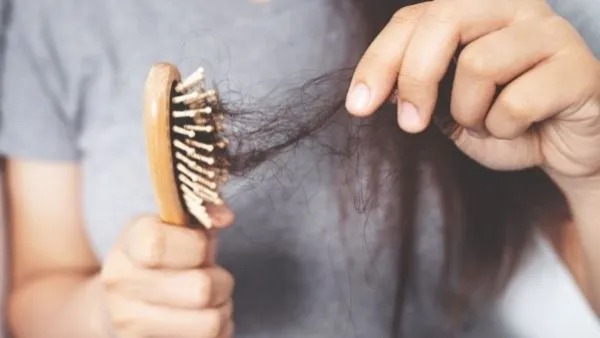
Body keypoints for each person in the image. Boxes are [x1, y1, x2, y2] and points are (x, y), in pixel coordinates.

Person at [0, 1, 599, 338]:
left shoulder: (509, 15)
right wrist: (111, 313)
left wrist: (592, 180)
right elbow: (40, 290)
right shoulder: (59, 19)